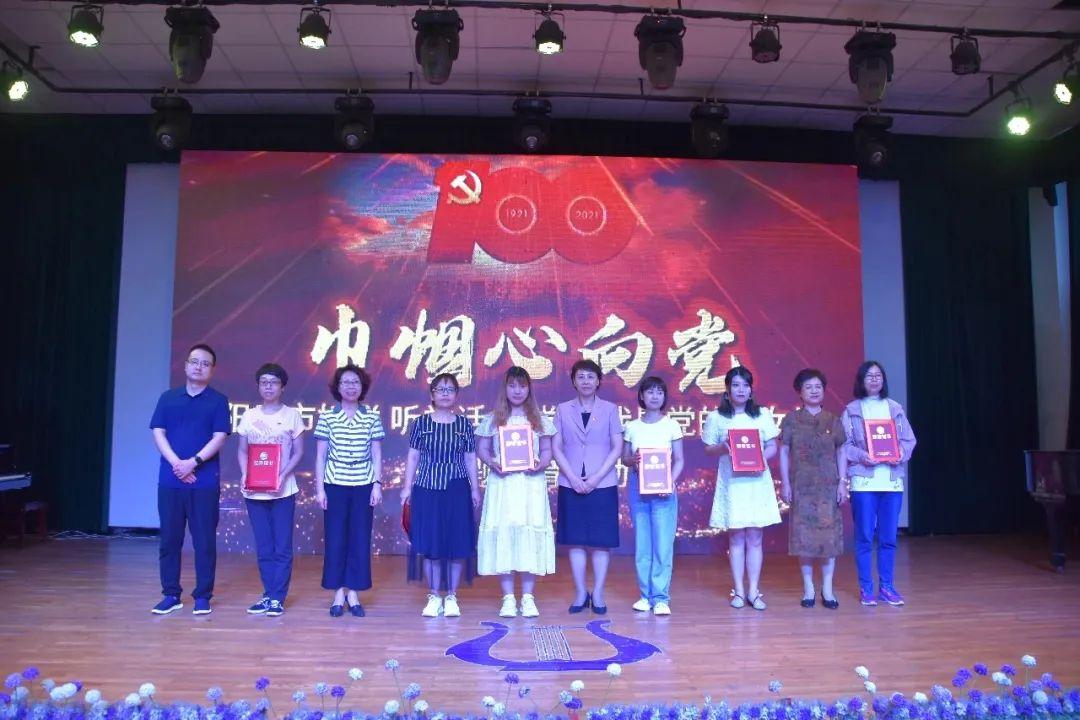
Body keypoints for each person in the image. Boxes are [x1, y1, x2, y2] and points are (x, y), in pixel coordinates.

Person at [149, 343, 230, 615]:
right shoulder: (168, 398)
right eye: (194, 361)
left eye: (205, 364)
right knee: (169, 540)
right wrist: (177, 464)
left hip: (204, 482)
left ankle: (202, 596)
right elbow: (158, 432)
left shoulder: (218, 401)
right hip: (170, 481)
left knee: (204, 542)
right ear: (185, 365)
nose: (199, 367)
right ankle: (171, 594)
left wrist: (193, 463)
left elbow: (219, 437)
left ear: (212, 370)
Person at [475, 366, 557, 618]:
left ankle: (529, 598)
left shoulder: (540, 420)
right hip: (503, 484)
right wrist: (492, 463)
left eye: (522, 386)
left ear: (529, 389)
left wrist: (540, 464)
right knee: (506, 535)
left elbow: (547, 451)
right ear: (505, 388)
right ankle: (508, 598)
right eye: (512, 385)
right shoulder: (493, 419)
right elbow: (482, 449)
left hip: (531, 484)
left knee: (529, 534)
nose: (517, 391)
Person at [401, 373, 480, 618]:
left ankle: (452, 596)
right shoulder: (421, 423)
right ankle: (434, 596)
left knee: (457, 543)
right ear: (432, 395)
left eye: (450, 389)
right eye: (440, 389)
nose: (445, 393)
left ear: (456, 395)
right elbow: (413, 456)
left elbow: (470, 458)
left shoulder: (464, 424)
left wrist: (475, 488)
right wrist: (407, 486)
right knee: (430, 543)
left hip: (457, 488)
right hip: (427, 488)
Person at [702, 366, 780, 611]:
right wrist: (723, 447)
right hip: (733, 482)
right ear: (727, 389)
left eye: (745, 385)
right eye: (736, 385)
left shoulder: (762, 415)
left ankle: (754, 591)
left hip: (757, 481)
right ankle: (738, 591)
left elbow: (772, 446)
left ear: (751, 389)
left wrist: (761, 461)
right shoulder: (716, 417)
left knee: (755, 537)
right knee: (736, 537)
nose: (741, 390)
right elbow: (709, 449)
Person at [841, 361, 916, 607]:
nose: (874, 379)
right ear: (861, 381)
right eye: (869, 375)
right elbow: (844, 446)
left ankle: (887, 587)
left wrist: (900, 454)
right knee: (864, 537)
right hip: (864, 482)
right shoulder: (852, 410)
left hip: (891, 481)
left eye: (878, 375)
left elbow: (909, 441)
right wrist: (862, 456)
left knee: (888, 538)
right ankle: (866, 588)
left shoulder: (895, 408)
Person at [552, 359, 624, 615]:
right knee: (576, 541)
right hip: (570, 482)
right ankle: (581, 592)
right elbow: (556, 447)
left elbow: (617, 447)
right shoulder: (562, 409)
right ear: (573, 381)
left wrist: (595, 478)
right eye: (581, 377)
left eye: (591, 377)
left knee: (601, 542)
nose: (585, 381)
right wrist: (572, 477)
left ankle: (599, 593)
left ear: (598, 381)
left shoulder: (610, 409)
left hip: (602, 483)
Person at [313, 364, 385, 618]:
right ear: (338, 387)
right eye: (346, 382)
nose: (351, 387)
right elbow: (320, 456)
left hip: (363, 484)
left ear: (362, 387)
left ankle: (353, 593)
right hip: (335, 484)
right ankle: (337, 593)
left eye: (355, 382)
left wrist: (377, 484)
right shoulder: (327, 417)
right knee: (335, 539)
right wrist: (320, 489)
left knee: (359, 539)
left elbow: (376, 453)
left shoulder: (371, 417)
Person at [236, 363, 305, 617]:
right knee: (264, 546)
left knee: (282, 546)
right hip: (254, 491)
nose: (268, 387)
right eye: (264, 382)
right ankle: (268, 594)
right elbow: (242, 450)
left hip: (283, 490)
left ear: (282, 387)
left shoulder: (292, 415)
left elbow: (298, 452)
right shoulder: (249, 416)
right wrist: (245, 473)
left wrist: (282, 475)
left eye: (273, 382)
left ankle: (278, 598)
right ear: (258, 386)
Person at [778, 368, 846, 610]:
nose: (814, 391)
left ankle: (827, 589)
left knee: (829, 539)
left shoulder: (833, 420)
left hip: (828, 487)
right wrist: (785, 483)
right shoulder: (791, 420)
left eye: (818, 386)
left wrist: (842, 482)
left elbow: (841, 451)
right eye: (809, 387)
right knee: (804, 539)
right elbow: (784, 452)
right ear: (800, 392)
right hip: (802, 487)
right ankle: (808, 588)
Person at [622, 376, 684, 616]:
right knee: (643, 543)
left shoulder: (672, 425)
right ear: (641, 396)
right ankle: (645, 595)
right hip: (638, 487)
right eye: (650, 392)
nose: (654, 396)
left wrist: (670, 482)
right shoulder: (632, 427)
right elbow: (625, 459)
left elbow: (679, 460)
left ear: (664, 396)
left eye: (659, 392)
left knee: (663, 544)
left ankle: (660, 597)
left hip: (664, 489)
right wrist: (632, 459)